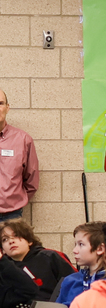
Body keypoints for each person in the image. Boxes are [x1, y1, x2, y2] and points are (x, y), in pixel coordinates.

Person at [0, 219, 74, 300]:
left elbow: (74, 283)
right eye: (5, 239)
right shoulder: (4, 269)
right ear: (2, 250)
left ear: (29, 241)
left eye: (16, 236)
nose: (11, 241)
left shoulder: (50, 257)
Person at [0, 90, 38, 223]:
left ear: (7, 107)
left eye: (0, 103)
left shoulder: (23, 140)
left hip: (11, 216)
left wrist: (15, 201)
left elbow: (32, 180)